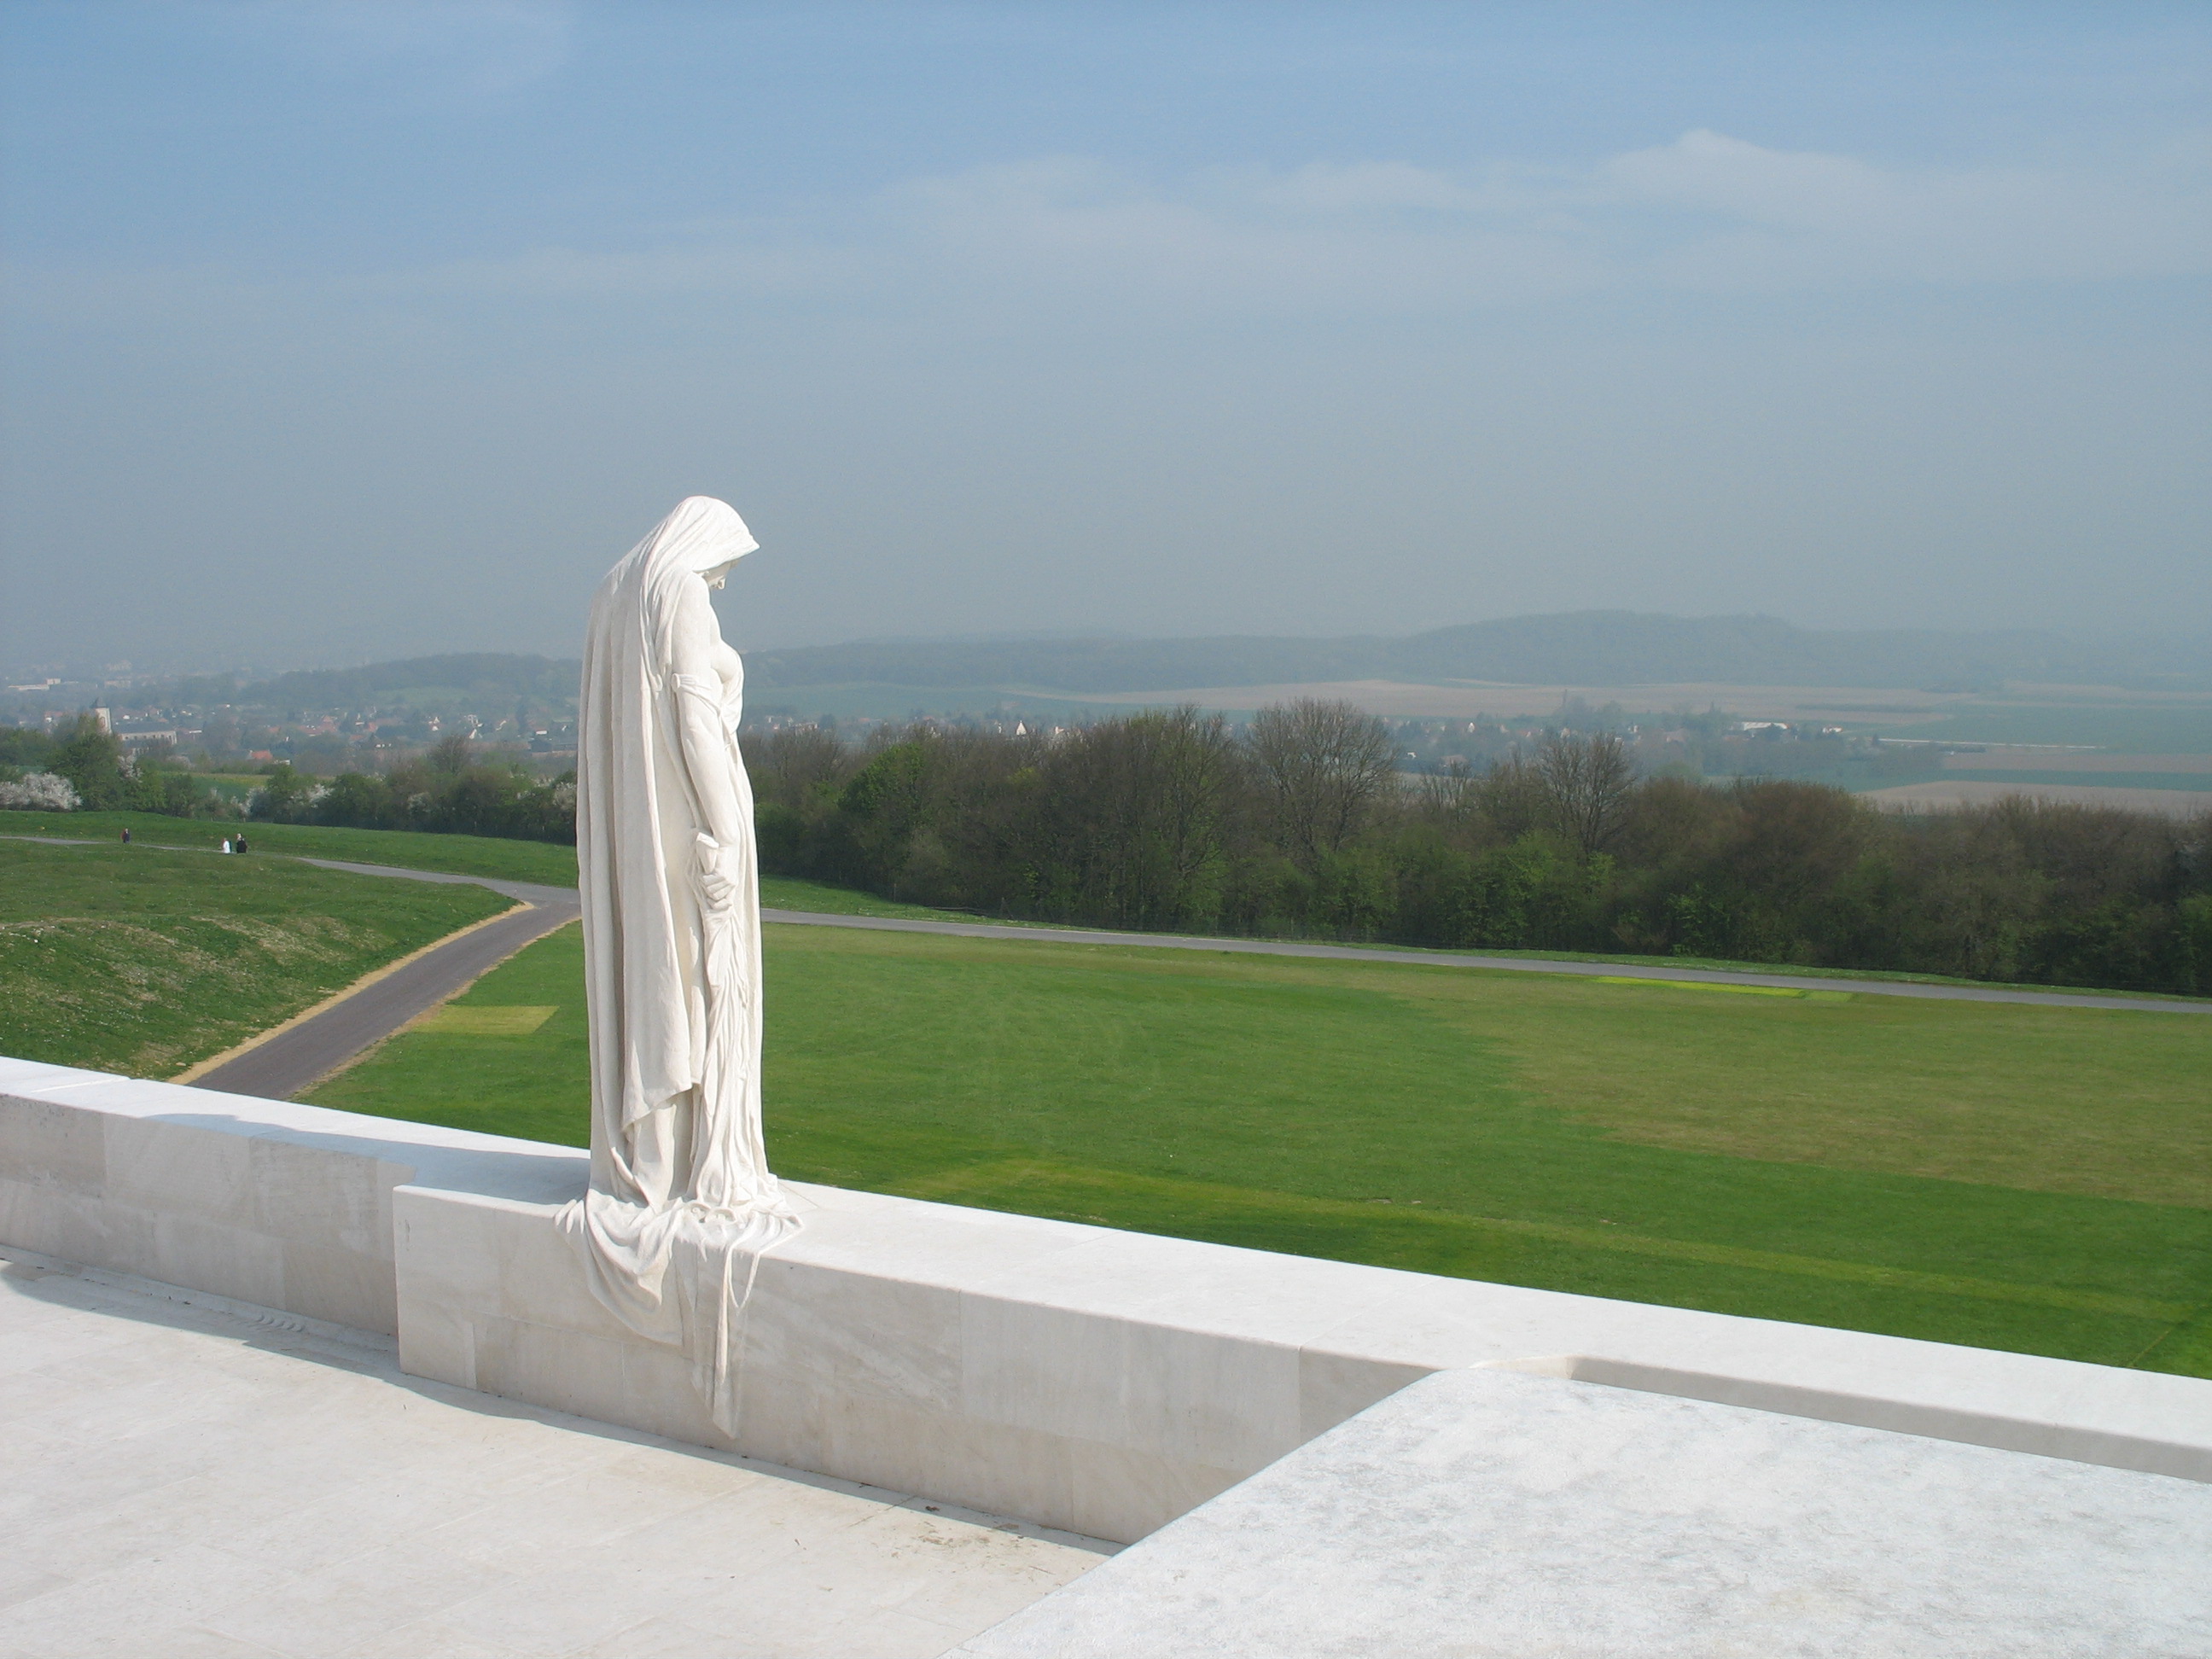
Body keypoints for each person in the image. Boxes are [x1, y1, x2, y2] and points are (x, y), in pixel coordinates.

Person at [556, 495, 799, 1437]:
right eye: (725, 565)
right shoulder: (677, 596)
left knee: (651, 991)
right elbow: (698, 725)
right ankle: (685, 1165)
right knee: (693, 997)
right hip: (689, 842)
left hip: (634, 842)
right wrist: (728, 834)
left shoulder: (615, 591)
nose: (725, 582)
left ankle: (646, 1161)